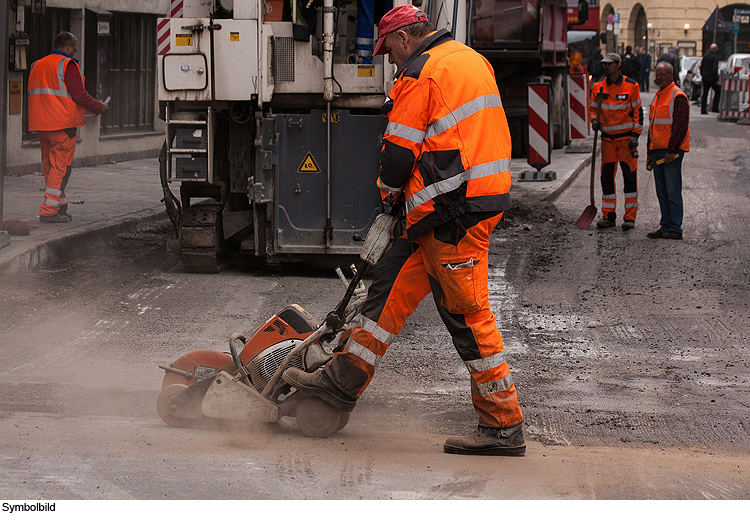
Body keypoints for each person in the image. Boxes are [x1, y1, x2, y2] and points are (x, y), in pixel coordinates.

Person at [283, 4, 525, 456]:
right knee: (385, 296)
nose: (389, 59)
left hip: (453, 213)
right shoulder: (471, 59)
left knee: (467, 317)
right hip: (451, 208)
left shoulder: (419, 73)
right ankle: (339, 385)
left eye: (388, 49)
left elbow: (398, 154)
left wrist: (389, 200)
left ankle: (503, 425)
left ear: (405, 38)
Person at [27, 31, 108, 223]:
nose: (75, 51)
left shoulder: (36, 65)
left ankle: (59, 206)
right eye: (74, 48)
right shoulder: (67, 65)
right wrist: (99, 106)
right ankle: (48, 211)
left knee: (50, 166)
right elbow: (79, 95)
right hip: (62, 125)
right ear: (69, 46)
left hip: (41, 124)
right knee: (61, 169)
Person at [589, 53, 643, 230]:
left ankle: (630, 218)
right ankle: (609, 216)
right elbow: (592, 109)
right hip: (607, 141)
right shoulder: (598, 87)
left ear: (618, 66)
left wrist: (635, 135)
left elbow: (638, 113)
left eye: (610, 64)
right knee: (606, 178)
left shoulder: (631, 86)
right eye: (604, 64)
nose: (606, 67)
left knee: (629, 178)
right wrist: (593, 121)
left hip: (626, 140)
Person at [646, 62, 689, 240]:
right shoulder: (658, 97)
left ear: (671, 75)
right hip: (657, 150)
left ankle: (675, 228)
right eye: (656, 75)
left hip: (671, 152)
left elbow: (679, 126)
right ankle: (665, 226)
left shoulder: (677, 96)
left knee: (672, 191)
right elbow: (653, 127)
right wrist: (649, 151)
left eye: (662, 75)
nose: (658, 78)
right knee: (662, 192)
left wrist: (671, 150)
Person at [700, 43, 721, 114]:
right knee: (718, 91)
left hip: (705, 77)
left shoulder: (705, 56)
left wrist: (702, 75)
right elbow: (714, 68)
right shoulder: (715, 57)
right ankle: (715, 107)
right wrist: (717, 79)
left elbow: (702, 66)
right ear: (716, 50)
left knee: (705, 93)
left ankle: (703, 109)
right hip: (712, 78)